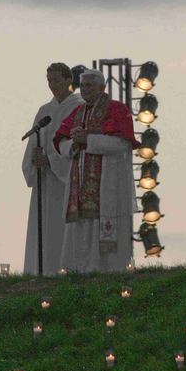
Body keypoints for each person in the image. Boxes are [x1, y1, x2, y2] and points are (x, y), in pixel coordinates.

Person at [53, 69, 140, 273]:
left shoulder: (117, 109)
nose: (84, 90)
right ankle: (78, 270)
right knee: (82, 227)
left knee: (106, 225)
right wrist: (74, 145)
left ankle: (111, 271)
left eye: (89, 85)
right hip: (80, 184)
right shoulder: (77, 112)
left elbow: (122, 144)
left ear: (102, 87)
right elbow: (60, 140)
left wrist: (89, 140)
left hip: (108, 184)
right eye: (82, 86)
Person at [22, 63, 84, 275]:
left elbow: (76, 146)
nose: (52, 85)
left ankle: (66, 271)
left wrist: (52, 160)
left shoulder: (79, 107)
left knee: (63, 228)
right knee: (44, 231)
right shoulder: (44, 111)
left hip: (66, 180)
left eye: (56, 80)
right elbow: (33, 145)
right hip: (46, 182)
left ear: (69, 80)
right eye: (49, 81)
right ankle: (42, 271)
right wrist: (35, 160)